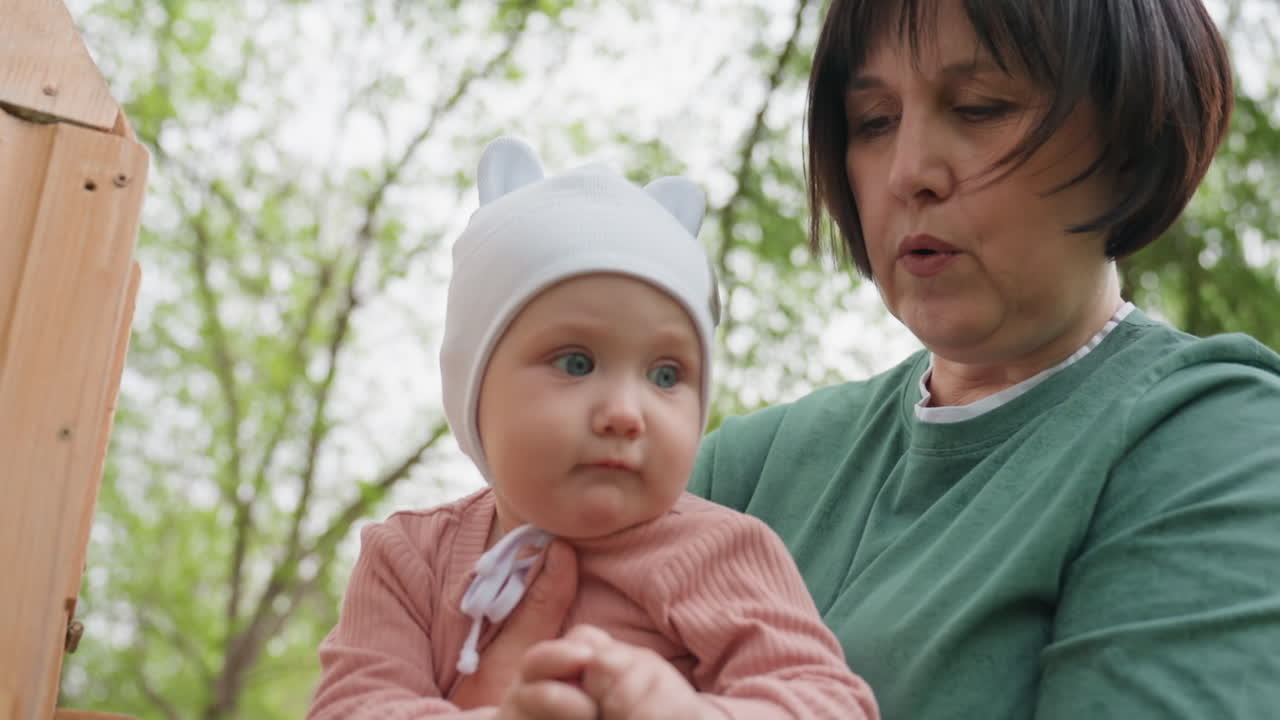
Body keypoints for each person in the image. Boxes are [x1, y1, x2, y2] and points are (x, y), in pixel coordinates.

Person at [445, 2, 1280, 719]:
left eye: (982, 105)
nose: (908, 172)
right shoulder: (745, 464)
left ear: (1131, 139)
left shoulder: (1216, 441)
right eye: (874, 123)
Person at [306, 136, 879, 720]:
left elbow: (829, 702)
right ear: (475, 388)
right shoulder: (410, 559)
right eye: (576, 362)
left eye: (665, 374)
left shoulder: (722, 552)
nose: (627, 413)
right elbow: (351, 705)